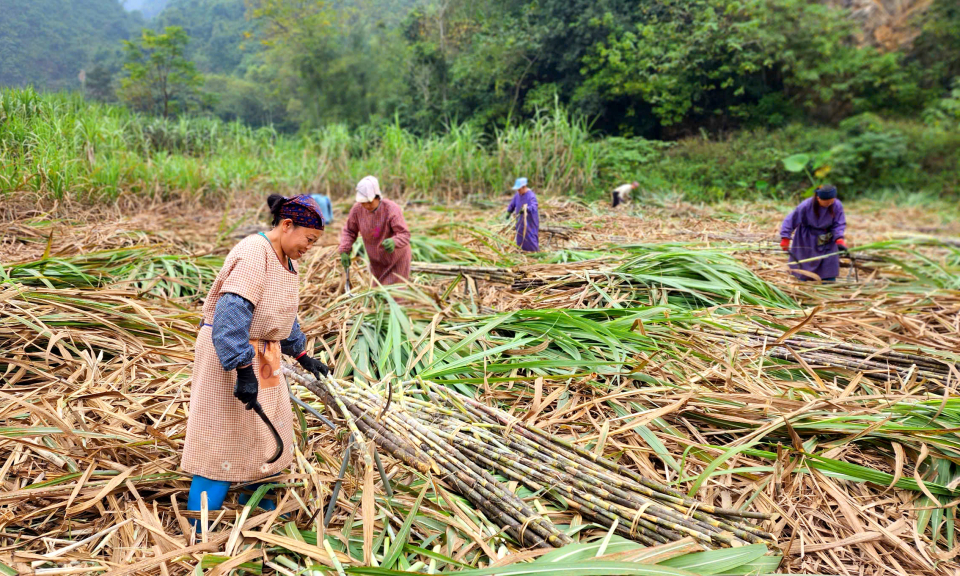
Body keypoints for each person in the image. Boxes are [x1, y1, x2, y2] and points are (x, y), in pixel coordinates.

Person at [182, 194, 331, 523]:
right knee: (221, 436)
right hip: (230, 356)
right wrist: (243, 370)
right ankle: (200, 528)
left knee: (265, 435)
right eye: (308, 239)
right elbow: (229, 319)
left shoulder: (287, 261)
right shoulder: (254, 252)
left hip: (263, 356)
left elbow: (281, 313)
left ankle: (260, 516)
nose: (309, 247)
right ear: (287, 225)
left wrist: (303, 354)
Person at [338, 176, 412, 286]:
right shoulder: (357, 210)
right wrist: (344, 249)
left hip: (396, 261)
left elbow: (404, 234)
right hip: (376, 263)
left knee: (395, 296)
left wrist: (394, 242)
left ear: (377, 197)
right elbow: (349, 231)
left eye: (369, 202)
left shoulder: (391, 209)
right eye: (363, 202)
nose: (366, 206)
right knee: (378, 296)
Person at [779, 184, 848, 282]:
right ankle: (802, 280)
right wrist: (785, 237)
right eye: (826, 201)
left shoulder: (836, 205)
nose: (829, 204)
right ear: (818, 198)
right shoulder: (806, 205)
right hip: (807, 238)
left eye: (831, 201)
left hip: (827, 237)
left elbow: (839, 223)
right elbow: (791, 220)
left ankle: (828, 281)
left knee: (829, 260)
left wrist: (839, 239)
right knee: (804, 261)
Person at [505, 177, 539, 252]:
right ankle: (521, 250)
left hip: (530, 221)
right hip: (520, 220)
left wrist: (526, 209)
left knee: (530, 236)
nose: (518, 191)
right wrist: (509, 211)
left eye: (519, 189)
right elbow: (513, 203)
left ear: (524, 187)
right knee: (520, 235)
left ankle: (534, 252)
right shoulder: (517, 195)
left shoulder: (531, 196)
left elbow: (534, 206)